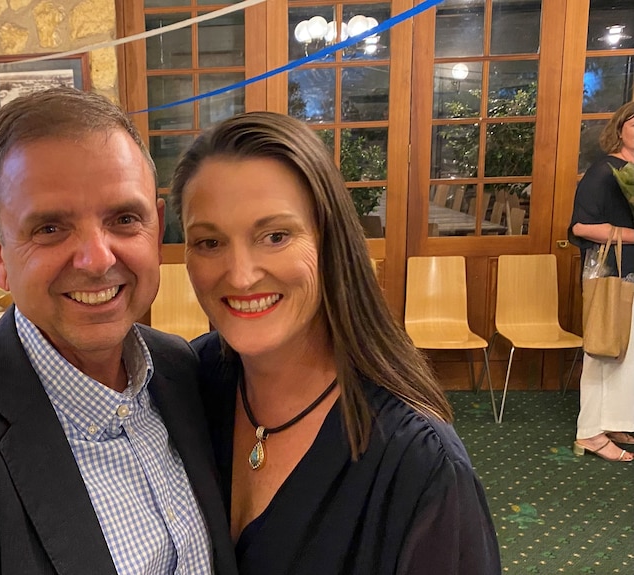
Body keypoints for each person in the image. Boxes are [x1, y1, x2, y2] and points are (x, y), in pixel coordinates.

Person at [0, 88, 238, 574]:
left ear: (155, 231)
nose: (97, 259)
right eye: (50, 228)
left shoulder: (183, 373)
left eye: (124, 219)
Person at [169, 111, 501, 574]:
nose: (241, 275)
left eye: (276, 236)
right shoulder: (186, 383)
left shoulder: (419, 462)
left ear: (331, 242)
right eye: (209, 243)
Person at [569, 101, 634, 462]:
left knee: (627, 353)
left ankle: (612, 420)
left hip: (632, 272)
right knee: (602, 350)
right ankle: (590, 431)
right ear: (620, 127)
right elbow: (580, 226)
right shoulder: (604, 171)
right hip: (611, 273)